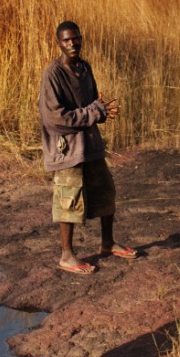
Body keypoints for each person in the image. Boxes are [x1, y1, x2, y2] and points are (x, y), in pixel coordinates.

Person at [38, 20, 137, 274]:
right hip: (68, 148)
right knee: (68, 199)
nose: (72, 44)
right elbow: (56, 118)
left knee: (106, 191)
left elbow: (94, 103)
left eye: (76, 38)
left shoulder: (85, 67)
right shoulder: (53, 74)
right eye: (66, 40)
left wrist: (102, 112)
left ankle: (107, 242)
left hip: (90, 144)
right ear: (58, 42)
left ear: (81, 38)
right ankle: (67, 255)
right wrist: (94, 113)